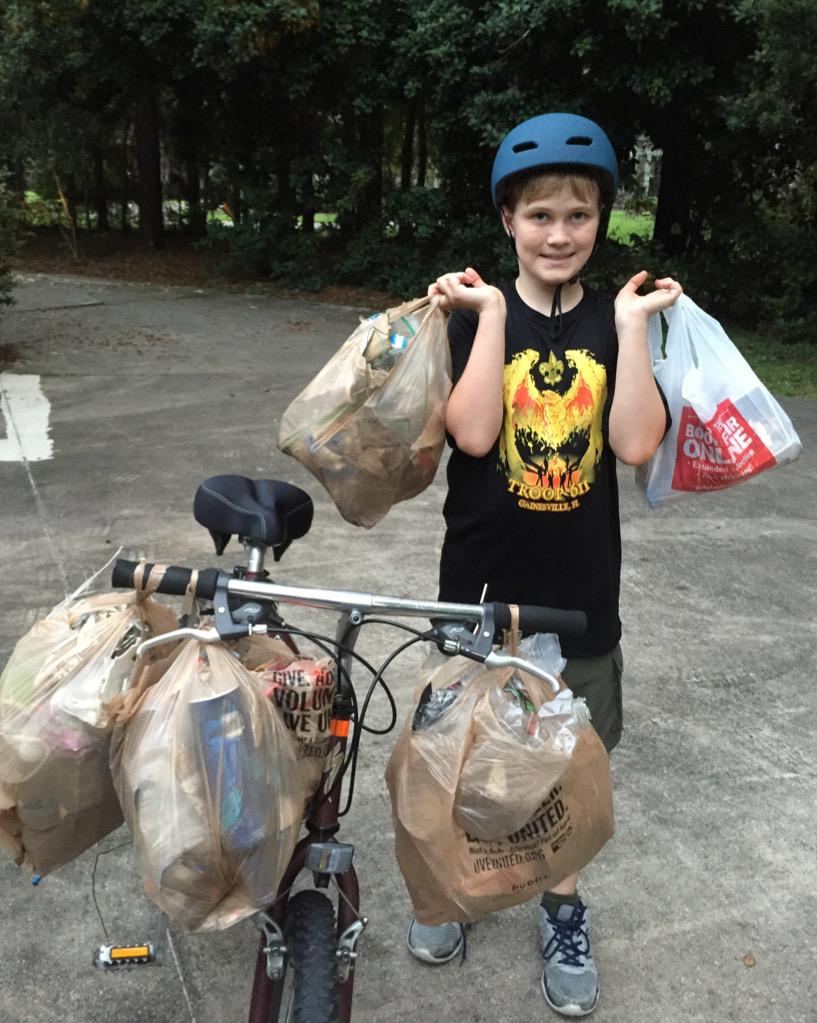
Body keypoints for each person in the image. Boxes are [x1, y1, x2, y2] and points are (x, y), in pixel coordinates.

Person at [405, 112, 683, 1017]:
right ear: (507, 221)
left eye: (576, 214)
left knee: (568, 761)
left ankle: (561, 906)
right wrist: (488, 316)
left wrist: (634, 327)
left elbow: (638, 444)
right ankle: (450, 883)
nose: (557, 234)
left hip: (577, 594)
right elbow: (476, 432)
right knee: (461, 752)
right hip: (480, 580)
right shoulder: (475, 311)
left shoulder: (617, 318)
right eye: (538, 216)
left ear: (600, 219)